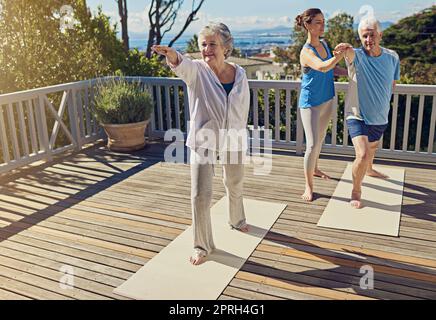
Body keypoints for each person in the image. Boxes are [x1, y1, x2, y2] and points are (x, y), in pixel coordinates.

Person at [152, 23, 250, 265]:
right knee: (200, 195)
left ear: (225, 47)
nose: (207, 49)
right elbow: (181, 65)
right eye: (203, 45)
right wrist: (173, 56)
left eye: (212, 44)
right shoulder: (197, 71)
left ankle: (237, 219)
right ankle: (202, 246)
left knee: (234, 181)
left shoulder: (240, 74)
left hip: (234, 137)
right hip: (204, 138)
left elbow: (243, 106)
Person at [338, 16, 400, 209]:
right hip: (357, 115)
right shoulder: (357, 56)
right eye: (364, 36)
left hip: (380, 115)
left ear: (380, 35)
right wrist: (344, 48)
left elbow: (392, 84)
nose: (368, 39)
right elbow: (348, 52)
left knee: (371, 149)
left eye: (371, 35)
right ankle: (356, 191)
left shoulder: (392, 57)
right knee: (363, 154)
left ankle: (370, 170)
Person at [296, 8, 349, 202]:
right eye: (317, 22)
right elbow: (323, 66)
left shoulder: (325, 44)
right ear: (307, 25)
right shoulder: (306, 52)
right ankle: (308, 187)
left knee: (319, 140)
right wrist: (340, 55)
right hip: (310, 103)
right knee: (311, 145)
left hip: (327, 99)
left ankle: (315, 168)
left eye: (323, 21)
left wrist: (351, 72)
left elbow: (333, 69)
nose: (322, 25)